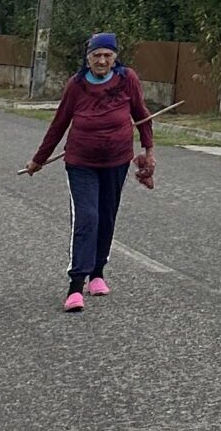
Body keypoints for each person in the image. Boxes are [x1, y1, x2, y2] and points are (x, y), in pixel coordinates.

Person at [23, 33, 155, 312]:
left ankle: (97, 274)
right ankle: (75, 286)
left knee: (106, 216)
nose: (102, 60)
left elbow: (142, 115)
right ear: (88, 58)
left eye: (108, 55)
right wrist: (38, 159)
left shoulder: (127, 79)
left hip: (117, 161)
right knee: (87, 217)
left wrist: (148, 151)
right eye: (97, 55)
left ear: (115, 57)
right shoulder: (77, 85)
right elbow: (59, 124)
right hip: (81, 162)